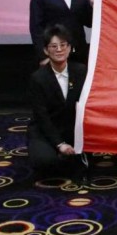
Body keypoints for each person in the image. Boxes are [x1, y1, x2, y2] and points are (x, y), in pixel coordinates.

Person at [27, 24, 88, 178]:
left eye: (63, 45)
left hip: (70, 129)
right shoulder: (38, 78)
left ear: (70, 48)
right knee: (45, 161)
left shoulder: (81, 71)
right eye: (54, 46)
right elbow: (41, 116)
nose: (59, 50)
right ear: (46, 51)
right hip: (46, 130)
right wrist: (59, 144)